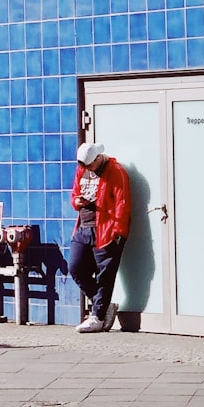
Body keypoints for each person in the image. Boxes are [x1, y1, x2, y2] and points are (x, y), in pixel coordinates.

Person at [69, 141, 131, 333]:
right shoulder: (82, 169)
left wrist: (118, 233)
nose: (85, 169)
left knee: (105, 274)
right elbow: (74, 194)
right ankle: (103, 307)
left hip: (106, 229)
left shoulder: (115, 171)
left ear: (98, 159)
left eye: (88, 165)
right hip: (83, 227)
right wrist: (77, 202)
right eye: (82, 166)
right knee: (76, 268)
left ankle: (97, 315)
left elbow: (122, 202)